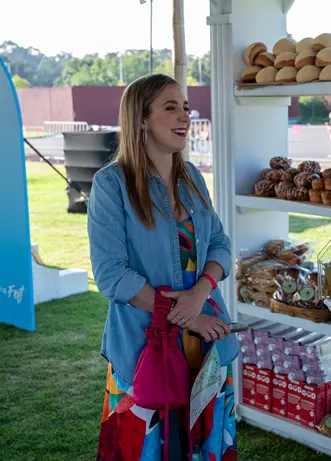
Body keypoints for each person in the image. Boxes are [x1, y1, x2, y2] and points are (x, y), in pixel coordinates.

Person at [89, 74, 238, 460]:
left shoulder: (192, 180)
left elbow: (220, 245)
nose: (184, 117)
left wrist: (200, 293)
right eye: (171, 108)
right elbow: (111, 274)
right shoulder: (112, 185)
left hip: (205, 346)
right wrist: (185, 315)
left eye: (186, 108)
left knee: (200, 448)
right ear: (140, 119)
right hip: (144, 351)